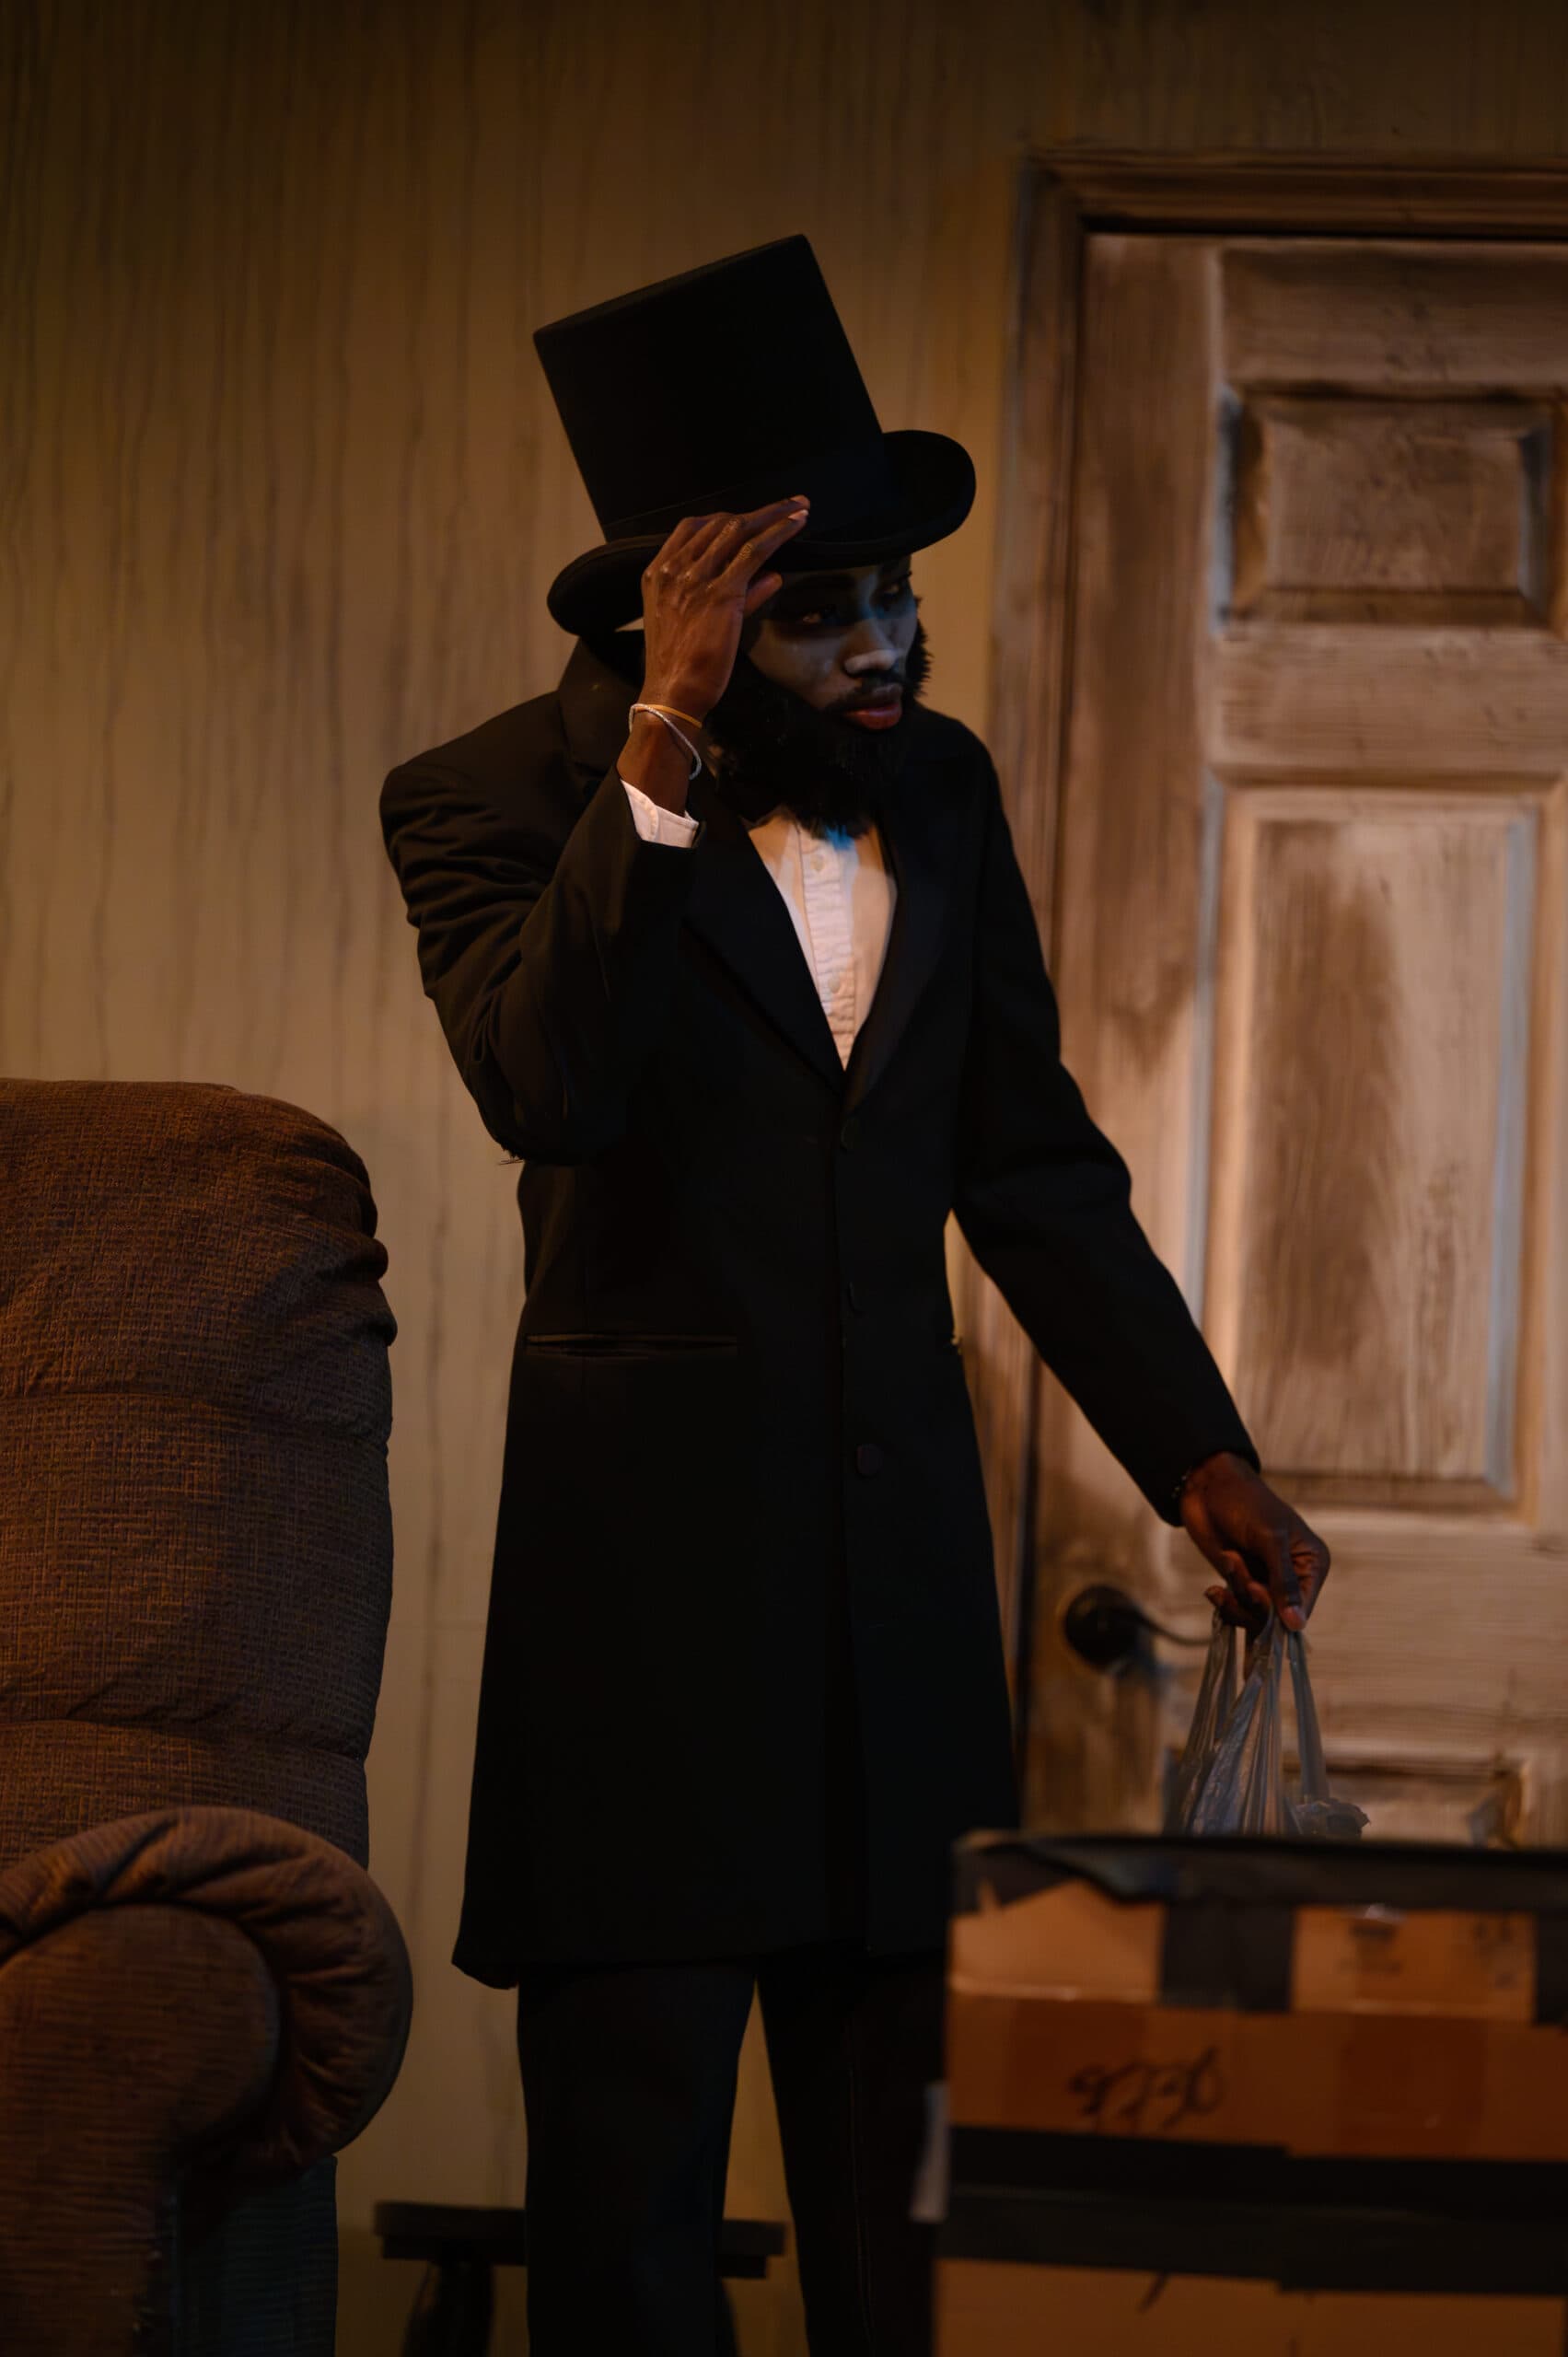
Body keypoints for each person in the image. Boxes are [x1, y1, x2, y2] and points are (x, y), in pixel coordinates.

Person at [379, 235, 1330, 2357]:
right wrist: (665, 749)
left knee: (905, 2208)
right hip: (644, 1614)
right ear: (685, 618)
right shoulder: (486, 799)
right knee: (630, 2204)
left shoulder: (944, 790)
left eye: (894, 593)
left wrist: (1197, 1449)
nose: (889, 642)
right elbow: (549, 1085)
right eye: (823, 612)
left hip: (895, 1611)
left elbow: (1028, 1162)